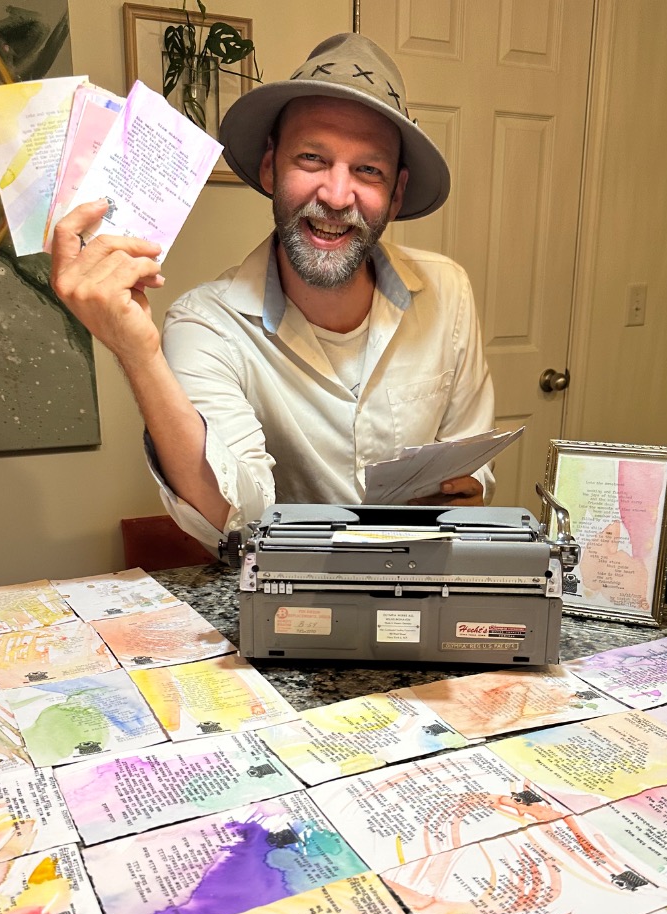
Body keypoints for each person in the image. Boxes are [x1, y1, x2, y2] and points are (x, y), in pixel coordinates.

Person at [52, 33, 495, 551]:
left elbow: (471, 460)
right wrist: (137, 352)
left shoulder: (447, 291)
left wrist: (468, 489)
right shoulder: (206, 324)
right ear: (271, 167)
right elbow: (236, 519)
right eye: (312, 158)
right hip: (286, 595)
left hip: (419, 581)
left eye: (368, 170)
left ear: (395, 194)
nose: (337, 196)